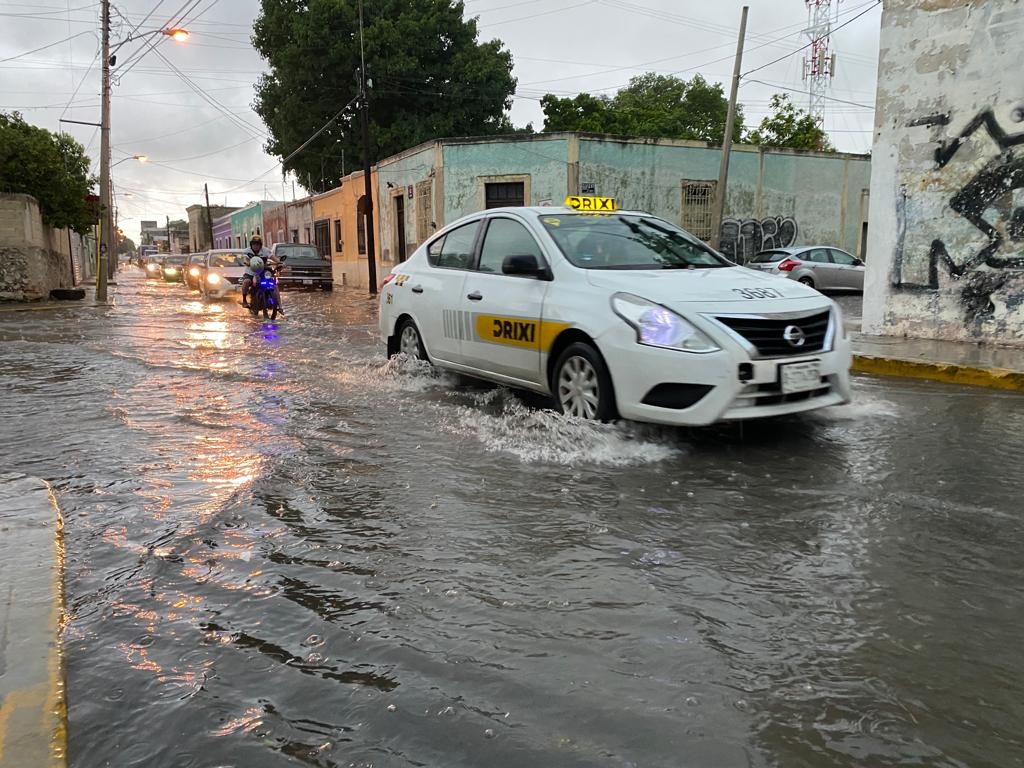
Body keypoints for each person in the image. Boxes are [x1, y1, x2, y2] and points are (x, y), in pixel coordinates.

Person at [240, 235, 273, 308]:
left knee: (273, 283)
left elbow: (273, 257)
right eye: (254, 244)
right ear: (251, 244)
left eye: (257, 244)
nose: (256, 246)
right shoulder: (247, 251)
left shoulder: (265, 250)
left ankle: (275, 302)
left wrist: (280, 263)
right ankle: (244, 300)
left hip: (263, 272)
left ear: (260, 245)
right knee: (246, 282)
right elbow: (245, 259)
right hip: (250, 273)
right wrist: (247, 262)